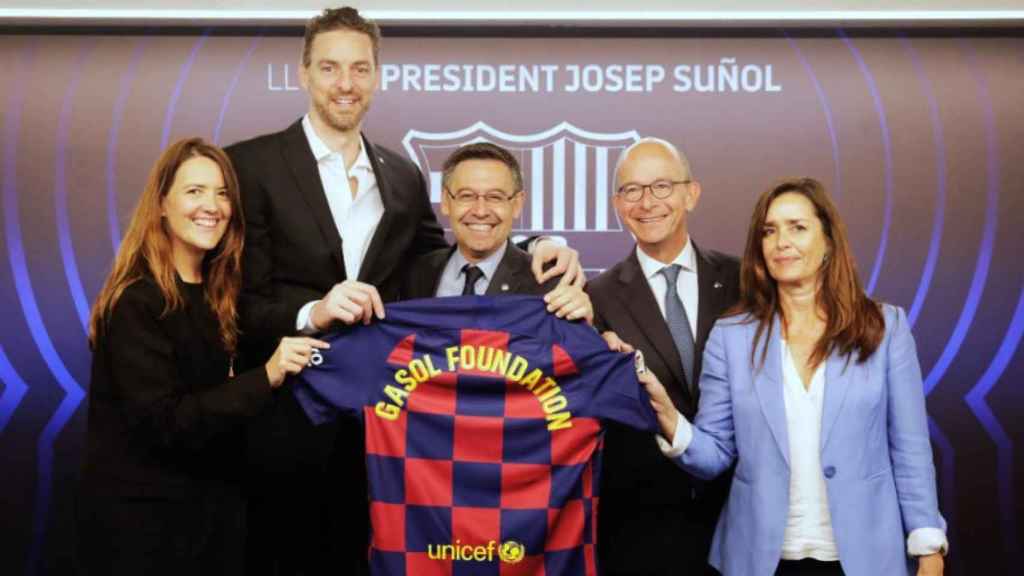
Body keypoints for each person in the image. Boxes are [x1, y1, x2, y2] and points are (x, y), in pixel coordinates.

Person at [224, 7, 583, 574]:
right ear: (303, 73)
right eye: (330, 68)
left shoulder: (401, 175)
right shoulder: (249, 165)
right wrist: (312, 311)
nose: (346, 84)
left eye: (360, 69)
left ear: (376, 76)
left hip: (382, 428)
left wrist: (538, 242)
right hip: (283, 418)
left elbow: (449, 253)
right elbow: (230, 305)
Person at [638, 177, 947, 575]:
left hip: (867, 558)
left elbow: (910, 449)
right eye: (769, 231)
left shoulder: (885, 327)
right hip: (760, 560)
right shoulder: (731, 336)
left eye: (797, 227)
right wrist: (667, 416)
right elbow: (714, 455)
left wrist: (928, 548)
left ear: (829, 241)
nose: (781, 241)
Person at [76, 138, 325, 576]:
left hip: (212, 522)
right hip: (148, 532)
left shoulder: (218, 294)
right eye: (195, 191)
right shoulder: (137, 301)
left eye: (223, 192)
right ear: (162, 205)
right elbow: (164, 422)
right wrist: (265, 375)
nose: (212, 205)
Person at [587, 138, 739, 575]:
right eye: (631, 190)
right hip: (641, 533)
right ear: (617, 203)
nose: (646, 202)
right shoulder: (593, 298)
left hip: (741, 521)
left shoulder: (745, 282)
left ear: (691, 193)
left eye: (661, 186)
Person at [402, 142, 592, 323]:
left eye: (495, 197)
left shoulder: (551, 286)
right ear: (445, 201)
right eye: (466, 196)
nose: (480, 211)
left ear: (517, 204)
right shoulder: (412, 276)